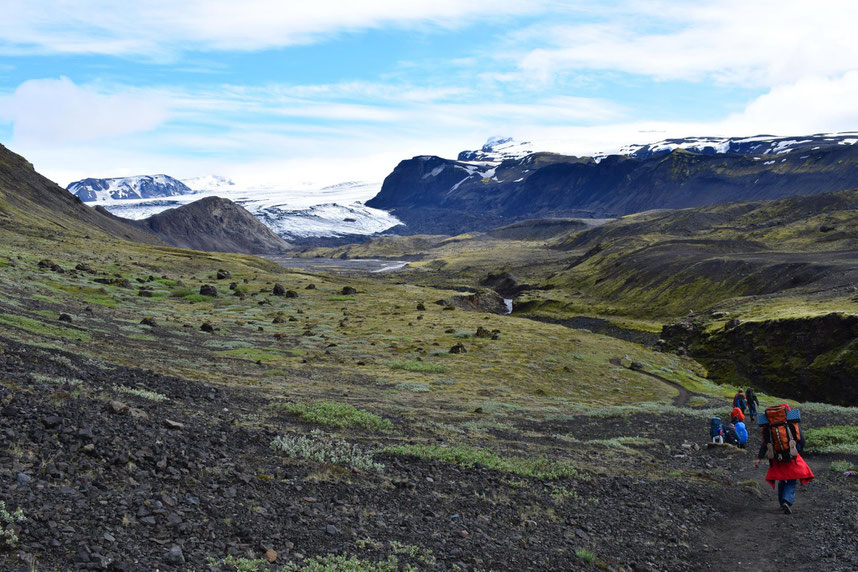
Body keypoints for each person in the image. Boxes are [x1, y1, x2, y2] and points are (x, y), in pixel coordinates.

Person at [755, 404, 814, 514]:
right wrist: (797, 451)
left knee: (782, 479)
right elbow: (802, 441)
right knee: (792, 479)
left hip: (777, 457)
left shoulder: (768, 425)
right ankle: (787, 500)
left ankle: (781, 503)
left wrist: (759, 458)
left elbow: (765, 443)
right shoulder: (791, 423)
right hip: (791, 456)